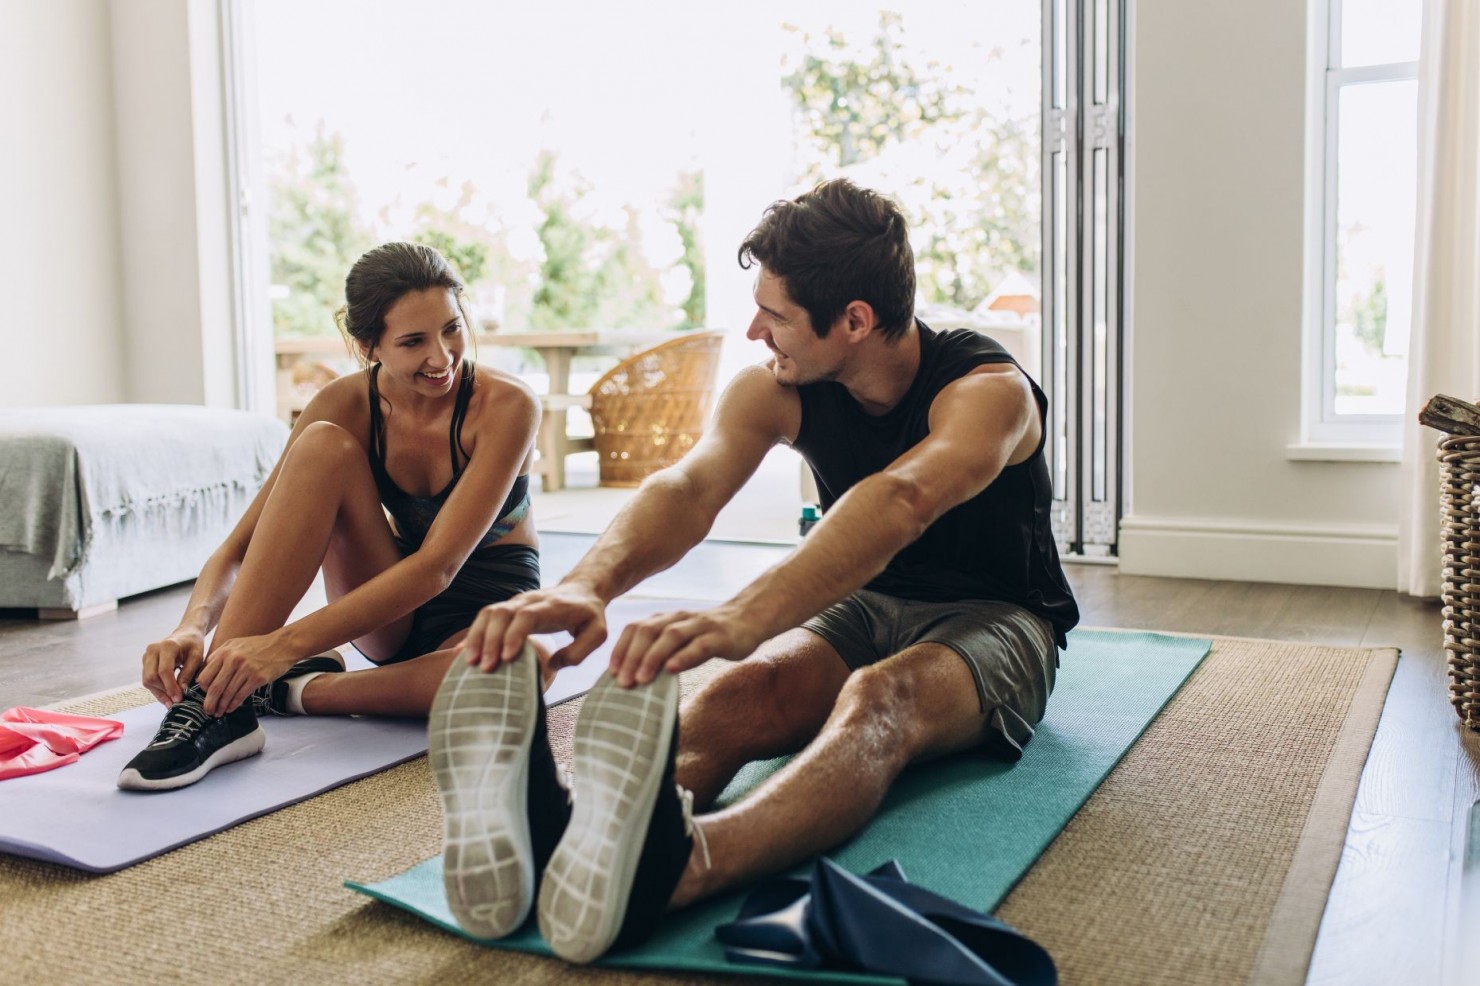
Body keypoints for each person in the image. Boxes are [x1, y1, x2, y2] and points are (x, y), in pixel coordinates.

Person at [427, 178, 1080, 959]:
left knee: (880, 699)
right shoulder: (782, 386)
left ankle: (684, 867)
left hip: (1001, 618)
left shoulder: (990, 393)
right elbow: (691, 486)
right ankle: (566, 835)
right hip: (870, 601)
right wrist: (585, 584)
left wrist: (744, 615)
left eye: (774, 315)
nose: (753, 330)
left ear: (855, 322)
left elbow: (903, 498)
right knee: (746, 691)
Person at [118, 242, 544, 792]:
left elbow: (439, 567)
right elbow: (241, 545)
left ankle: (284, 691)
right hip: (388, 599)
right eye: (413, 341)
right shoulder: (344, 404)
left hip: (485, 605)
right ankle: (215, 708)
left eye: (452, 328)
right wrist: (192, 626)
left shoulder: (508, 406)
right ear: (368, 346)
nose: (441, 357)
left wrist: (281, 650)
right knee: (321, 446)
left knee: (516, 674)